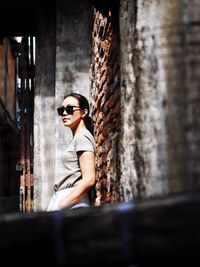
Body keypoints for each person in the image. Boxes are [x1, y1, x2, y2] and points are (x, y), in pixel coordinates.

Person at [47, 93, 96, 211]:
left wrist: (62, 204)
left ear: (84, 112)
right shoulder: (78, 138)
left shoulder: (82, 137)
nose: (64, 113)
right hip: (67, 199)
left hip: (71, 202)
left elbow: (89, 179)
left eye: (69, 109)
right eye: (61, 110)